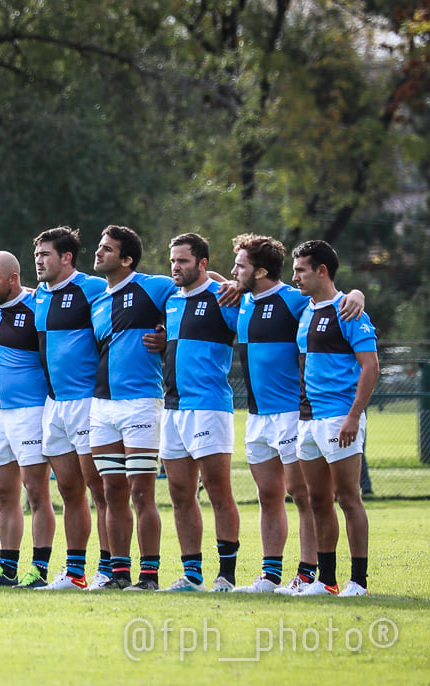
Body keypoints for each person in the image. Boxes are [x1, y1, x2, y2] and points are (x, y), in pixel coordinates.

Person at [225, 235, 362, 594]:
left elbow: (330, 302)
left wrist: (357, 293)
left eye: (240, 266)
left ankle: (308, 573)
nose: (233, 272)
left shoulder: (293, 300)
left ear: (262, 270)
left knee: (303, 497)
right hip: (256, 417)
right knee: (267, 496)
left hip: (292, 414)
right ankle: (270, 576)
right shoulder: (239, 300)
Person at [89, 225, 175, 590]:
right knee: (111, 493)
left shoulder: (154, 286)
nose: (99, 252)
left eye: (107, 249)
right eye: (99, 246)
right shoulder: (97, 300)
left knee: (141, 491)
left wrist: (167, 335)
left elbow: (204, 287)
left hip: (141, 403)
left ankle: (150, 576)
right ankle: (118, 574)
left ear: (126, 259)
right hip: (101, 407)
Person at [291, 240, 378, 597]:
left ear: (321, 271)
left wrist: (353, 417)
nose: (295, 277)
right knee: (317, 501)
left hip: (339, 417)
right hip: (307, 421)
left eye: (301, 270)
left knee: (347, 497)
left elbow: (370, 367)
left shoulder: (349, 310)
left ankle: (359, 582)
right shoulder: (306, 310)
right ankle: (326, 581)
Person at [156, 233, 241, 592]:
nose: (176, 267)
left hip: (209, 407)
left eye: (184, 261)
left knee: (218, 491)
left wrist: (230, 281)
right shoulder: (172, 302)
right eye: (173, 261)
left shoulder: (224, 298)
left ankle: (227, 576)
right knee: (179, 493)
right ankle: (192, 574)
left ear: (203, 264)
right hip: (172, 409)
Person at [30, 226, 112, 590]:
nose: (39, 261)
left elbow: (140, 303)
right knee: (68, 490)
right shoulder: (40, 296)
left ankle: (110, 568)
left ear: (66, 258)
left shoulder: (92, 287)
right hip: (54, 405)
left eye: (45, 255)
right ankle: (75, 572)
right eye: (36, 256)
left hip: (86, 403)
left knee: (100, 488)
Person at [0, 251, 55, 588]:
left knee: (36, 493)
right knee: (4, 494)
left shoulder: (36, 306)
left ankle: (39, 569)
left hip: (31, 412)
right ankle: (7, 570)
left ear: (13, 278)